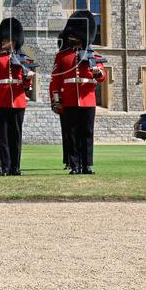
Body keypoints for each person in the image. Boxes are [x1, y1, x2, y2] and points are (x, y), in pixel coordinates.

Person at [50, 10, 106, 175]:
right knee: (72, 134)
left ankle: (87, 165)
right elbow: (56, 80)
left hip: (88, 99)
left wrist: (97, 72)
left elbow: (102, 76)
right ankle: (74, 165)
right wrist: (56, 100)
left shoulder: (93, 55)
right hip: (69, 99)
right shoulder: (62, 56)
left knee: (87, 134)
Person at [0, 18, 34, 176]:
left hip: (18, 102)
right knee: (3, 138)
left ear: (13, 41)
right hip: (2, 101)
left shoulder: (24, 60)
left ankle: (15, 167)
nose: (3, 43)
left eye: (6, 40)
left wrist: (28, 79)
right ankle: (4, 167)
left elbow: (27, 86)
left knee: (16, 137)